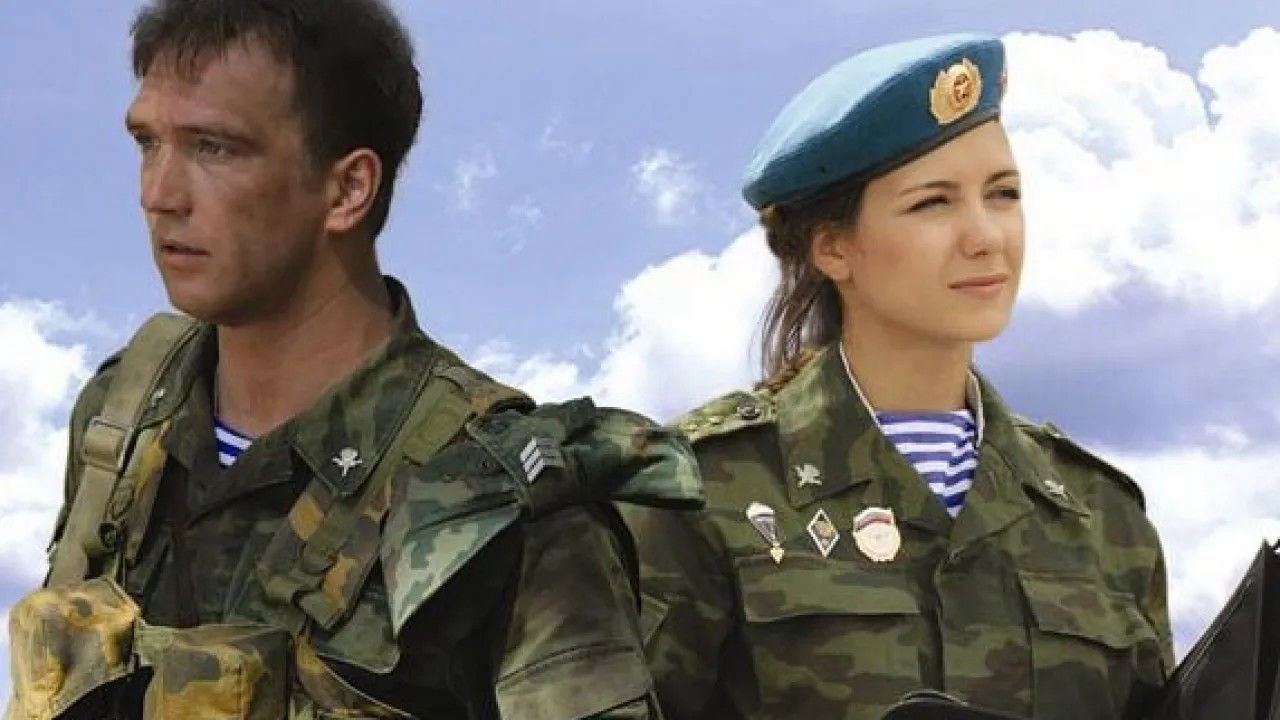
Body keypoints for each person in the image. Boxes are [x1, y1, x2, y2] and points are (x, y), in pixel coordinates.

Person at [5, 1, 700, 718]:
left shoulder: (501, 503)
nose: (158, 194)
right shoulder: (122, 418)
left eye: (214, 149)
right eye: (149, 143)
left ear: (347, 189)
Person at [620, 34, 1173, 720]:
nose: (986, 236)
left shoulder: (1103, 517)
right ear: (833, 247)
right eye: (932, 203)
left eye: (1003, 194)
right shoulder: (696, 491)